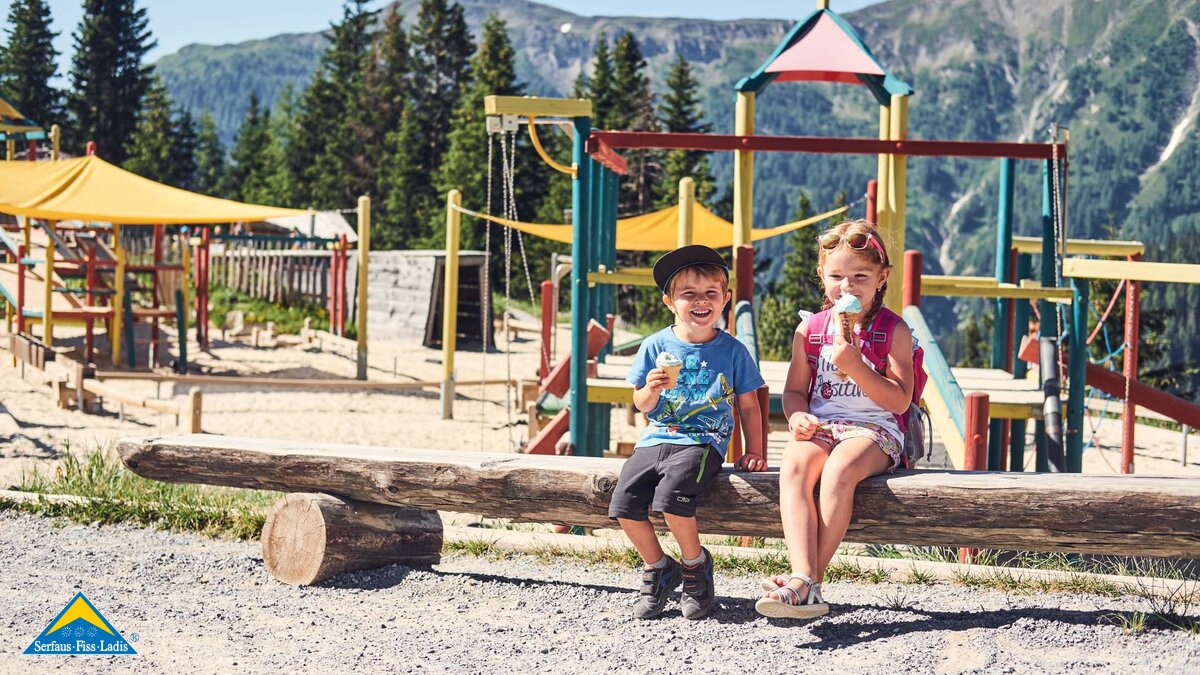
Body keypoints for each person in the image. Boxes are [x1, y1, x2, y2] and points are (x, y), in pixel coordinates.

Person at [756, 219, 915, 619]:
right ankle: (804, 579)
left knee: (839, 471)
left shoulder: (892, 330)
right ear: (822, 277)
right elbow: (793, 391)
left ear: (882, 279)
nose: (848, 287)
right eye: (837, 276)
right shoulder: (810, 329)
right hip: (825, 425)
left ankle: (805, 582)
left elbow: (899, 400)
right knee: (793, 466)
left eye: (861, 276)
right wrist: (797, 417)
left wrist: (854, 364)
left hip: (877, 430)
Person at [608, 244, 767, 620]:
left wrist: (756, 449)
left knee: (671, 497)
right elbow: (641, 404)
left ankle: (695, 566)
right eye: (688, 294)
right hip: (656, 437)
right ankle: (660, 567)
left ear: (725, 299)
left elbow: (749, 404)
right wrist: (651, 388)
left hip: (703, 441)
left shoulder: (733, 350)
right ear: (669, 301)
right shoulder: (655, 345)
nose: (701, 301)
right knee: (623, 503)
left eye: (711, 293)